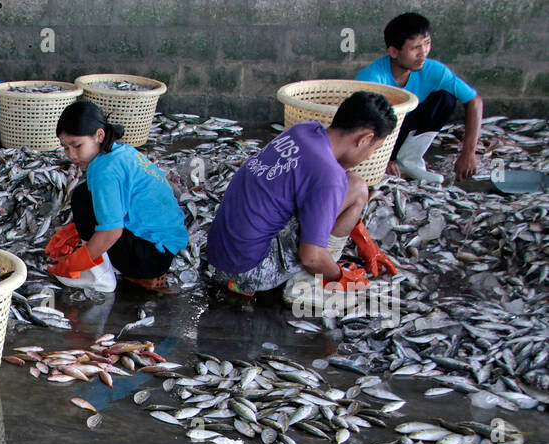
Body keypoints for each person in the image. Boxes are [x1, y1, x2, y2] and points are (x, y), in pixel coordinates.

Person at [205, 91, 399, 300]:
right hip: (247, 273)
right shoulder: (329, 175)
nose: (370, 156)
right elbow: (311, 257)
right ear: (365, 139)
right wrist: (342, 277)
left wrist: (364, 241)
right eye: (375, 148)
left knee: (350, 183)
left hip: (218, 256)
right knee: (358, 188)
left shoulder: (304, 130)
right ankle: (308, 284)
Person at [45, 101, 188, 294]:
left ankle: (100, 277)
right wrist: (78, 231)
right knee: (86, 194)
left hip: (151, 257)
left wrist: (75, 263)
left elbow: (112, 232)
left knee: (82, 199)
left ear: (99, 135)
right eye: (65, 147)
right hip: (163, 249)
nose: (70, 154)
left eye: (77, 145)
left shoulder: (104, 170)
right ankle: (116, 263)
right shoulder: (119, 151)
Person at [356, 12, 482, 182]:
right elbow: (358, 125)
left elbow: (474, 101)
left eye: (427, 43)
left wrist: (468, 153)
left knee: (445, 98)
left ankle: (409, 161)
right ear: (394, 51)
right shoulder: (372, 78)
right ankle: (384, 162)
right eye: (415, 48)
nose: (423, 53)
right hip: (378, 136)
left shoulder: (434, 70)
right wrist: (379, 159)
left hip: (404, 131)